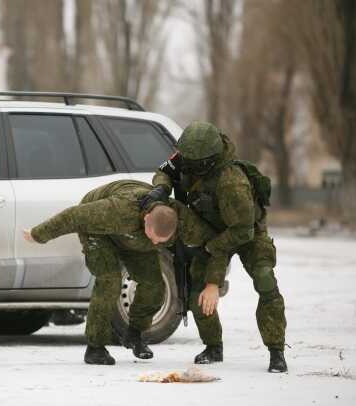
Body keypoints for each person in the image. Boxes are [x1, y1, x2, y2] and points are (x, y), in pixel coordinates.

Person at [144, 121, 288, 373]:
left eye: (191, 163)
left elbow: (242, 231)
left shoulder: (232, 183)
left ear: (207, 162)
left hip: (246, 232)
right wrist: (161, 188)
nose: (185, 165)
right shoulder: (188, 155)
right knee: (196, 291)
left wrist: (215, 270)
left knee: (265, 281)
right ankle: (213, 346)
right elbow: (165, 169)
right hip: (211, 229)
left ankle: (276, 351)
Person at [24, 179, 215, 365]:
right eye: (154, 237)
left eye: (161, 241)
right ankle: (95, 348)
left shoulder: (181, 219)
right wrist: (38, 234)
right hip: (99, 232)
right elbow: (72, 217)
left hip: (134, 237)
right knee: (110, 281)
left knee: (154, 284)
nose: (156, 244)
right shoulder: (117, 210)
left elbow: (214, 242)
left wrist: (214, 281)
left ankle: (134, 335)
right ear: (147, 219)